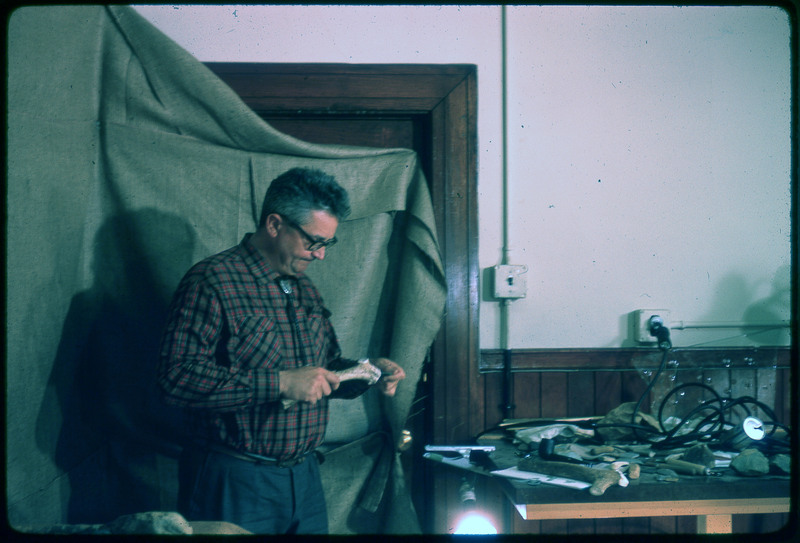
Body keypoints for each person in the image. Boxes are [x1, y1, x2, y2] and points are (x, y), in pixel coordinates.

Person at [157, 167, 406, 534]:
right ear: (275, 225)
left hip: (304, 479)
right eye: (314, 241)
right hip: (234, 480)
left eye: (326, 244)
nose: (321, 255)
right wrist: (278, 384)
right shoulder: (212, 281)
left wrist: (370, 372)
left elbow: (325, 371)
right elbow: (174, 379)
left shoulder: (304, 288)